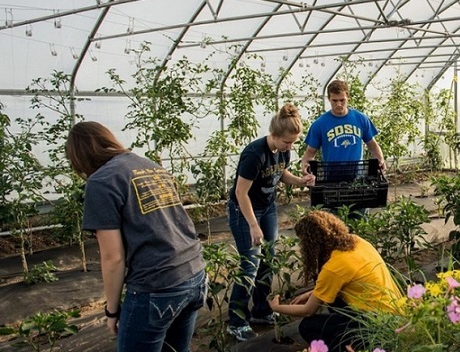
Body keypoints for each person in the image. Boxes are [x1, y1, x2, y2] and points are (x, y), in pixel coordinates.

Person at [66, 121, 206, 352]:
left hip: (157, 284)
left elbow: (113, 257)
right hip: (195, 273)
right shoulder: (148, 165)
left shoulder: (101, 181)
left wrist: (112, 310)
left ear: (79, 158)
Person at [227, 103, 316, 341]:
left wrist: (300, 181)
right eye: (288, 142)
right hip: (245, 210)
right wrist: (253, 225)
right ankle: (236, 321)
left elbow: (279, 173)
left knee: (269, 259)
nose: (291, 147)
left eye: (294, 143)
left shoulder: (282, 150)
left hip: (268, 208)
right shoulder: (254, 154)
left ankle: (262, 312)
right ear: (274, 135)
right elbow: (240, 193)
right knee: (250, 264)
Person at [269, 211, 403, 352]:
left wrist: (276, 307)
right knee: (333, 300)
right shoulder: (358, 242)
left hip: (374, 324)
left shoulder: (333, 267)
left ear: (311, 244)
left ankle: (346, 348)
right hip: (394, 315)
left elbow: (308, 311)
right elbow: (346, 278)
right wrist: (313, 293)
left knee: (307, 327)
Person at [300, 79, 386, 175]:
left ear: (348, 97)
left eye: (342, 100)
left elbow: (373, 145)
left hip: (357, 177)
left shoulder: (361, 119)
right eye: (335, 101)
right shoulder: (319, 124)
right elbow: (310, 153)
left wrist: (380, 159)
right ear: (329, 98)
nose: (339, 104)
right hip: (331, 179)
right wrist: (305, 164)